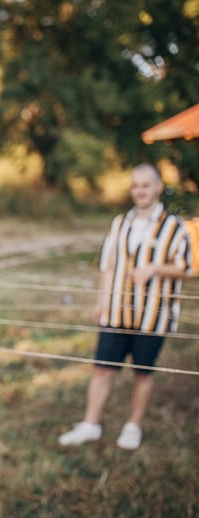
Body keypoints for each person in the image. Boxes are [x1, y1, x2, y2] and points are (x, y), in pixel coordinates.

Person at [58, 163, 190, 450]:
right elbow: (107, 266)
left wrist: (155, 268)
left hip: (152, 315)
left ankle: (133, 426)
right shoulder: (120, 223)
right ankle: (91, 424)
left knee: (143, 372)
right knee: (102, 369)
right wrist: (100, 302)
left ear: (158, 187)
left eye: (145, 185)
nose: (140, 191)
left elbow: (187, 267)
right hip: (115, 311)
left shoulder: (174, 226)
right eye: (135, 186)